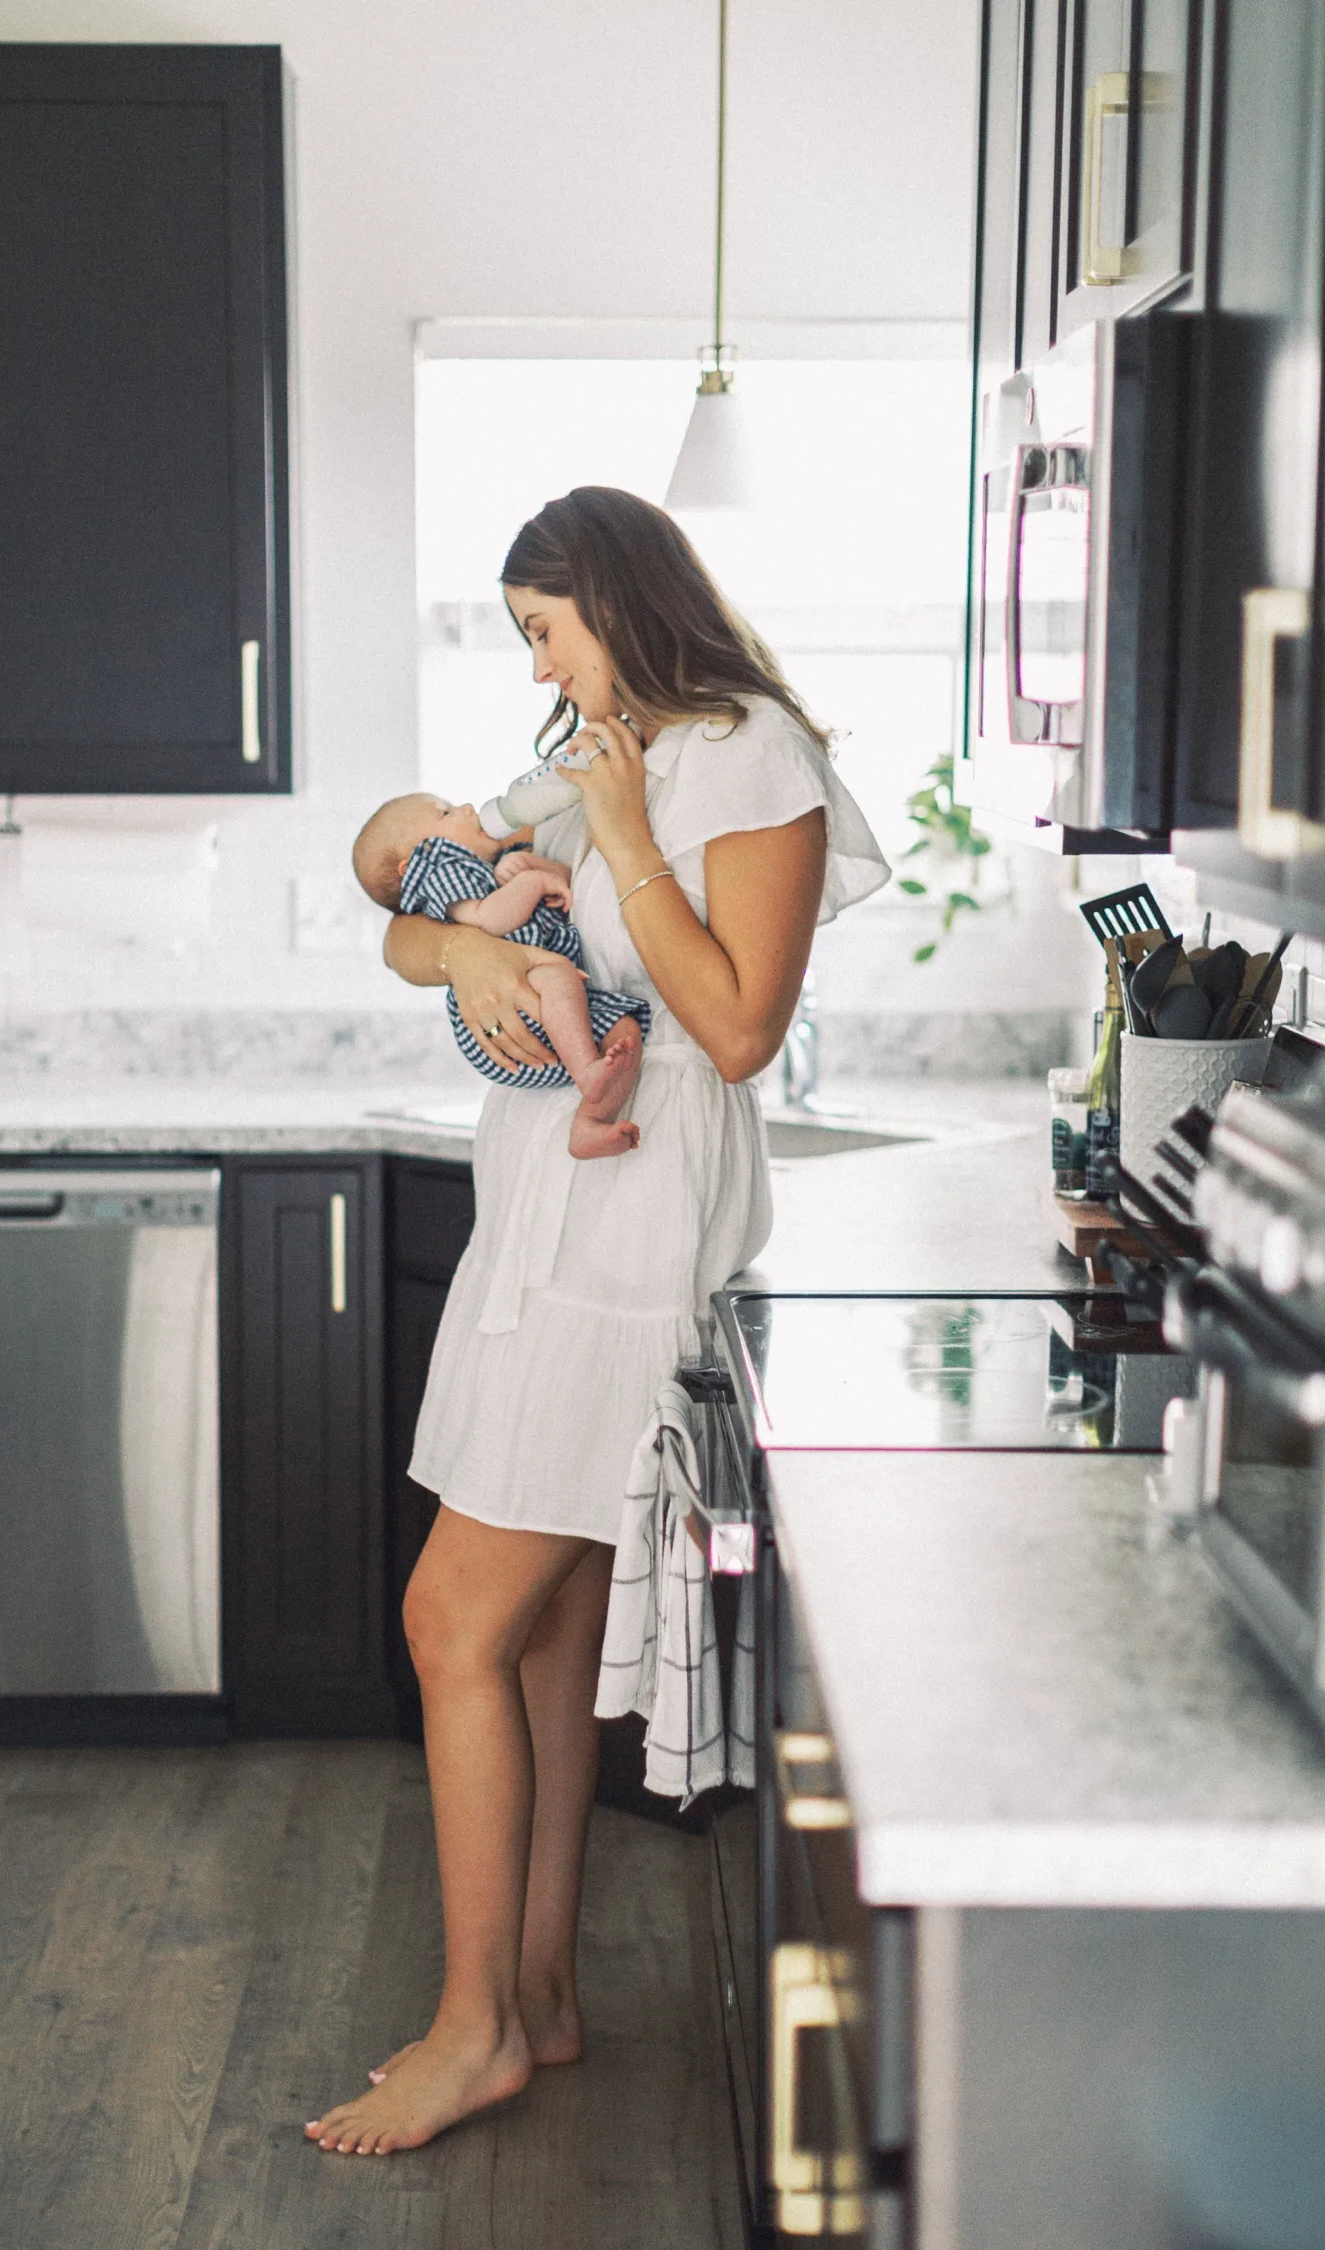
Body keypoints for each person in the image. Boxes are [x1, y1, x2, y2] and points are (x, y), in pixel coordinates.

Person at [305, 486, 888, 2158]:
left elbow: (737, 1022)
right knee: (541, 1636)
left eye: (546, 627)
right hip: (541, 1215)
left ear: (621, 599)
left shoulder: (750, 753)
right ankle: (540, 1996)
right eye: (525, 641)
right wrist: (456, 949)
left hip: (638, 1232)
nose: (539, 663)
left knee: (451, 1624)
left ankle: (472, 2023)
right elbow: (413, 898)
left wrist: (623, 838)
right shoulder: (586, 740)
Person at [351, 790, 650, 1158]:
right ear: (414, 860)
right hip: (520, 1001)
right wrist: (530, 884)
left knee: (626, 1032)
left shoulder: (491, 862)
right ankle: (587, 1071)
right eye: (444, 813)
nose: (465, 808)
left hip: (568, 1002)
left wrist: (537, 870)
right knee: (559, 979)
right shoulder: (442, 869)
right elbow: (490, 917)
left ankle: (590, 1119)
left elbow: (576, 886)